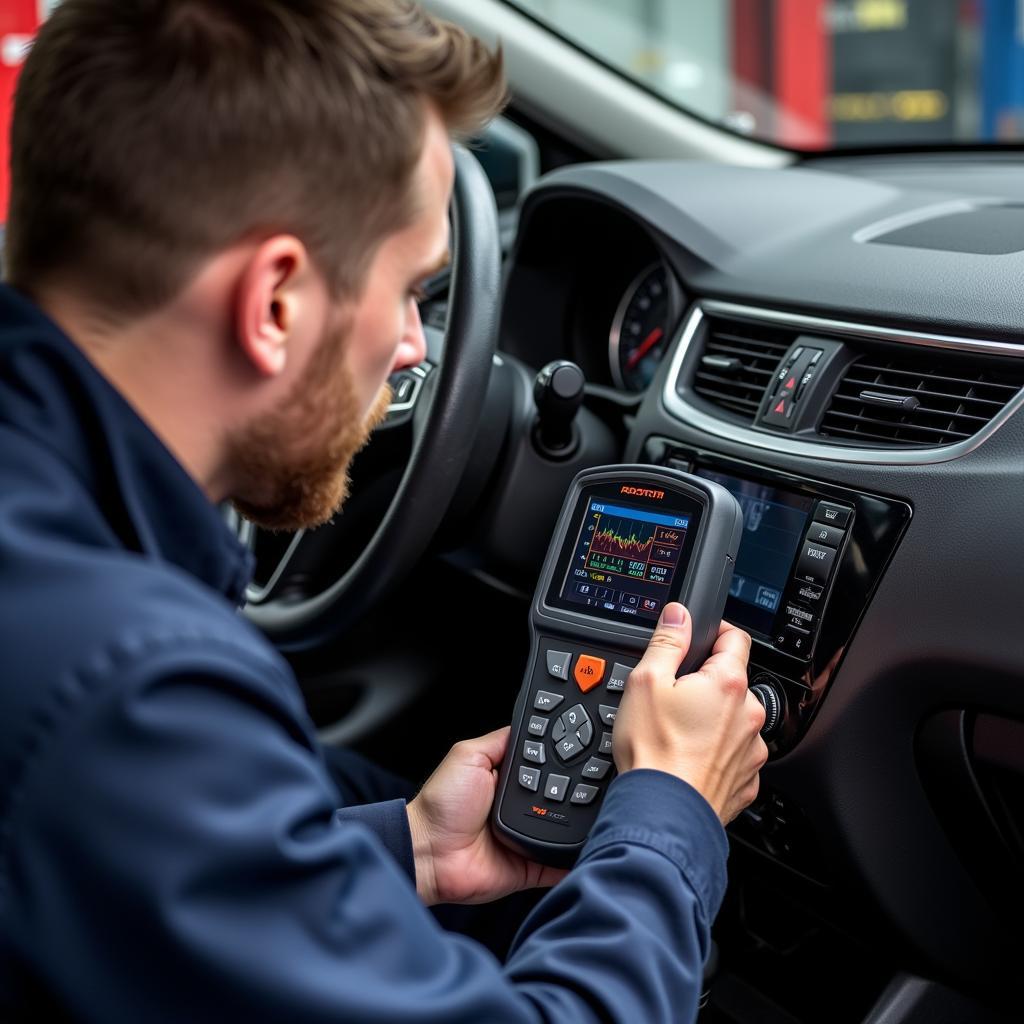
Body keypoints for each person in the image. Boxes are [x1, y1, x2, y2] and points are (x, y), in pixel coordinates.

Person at [0, 1, 768, 1021]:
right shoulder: (131, 687)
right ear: (275, 301)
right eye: (412, 290)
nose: (417, 347)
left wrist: (407, 848)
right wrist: (668, 815)